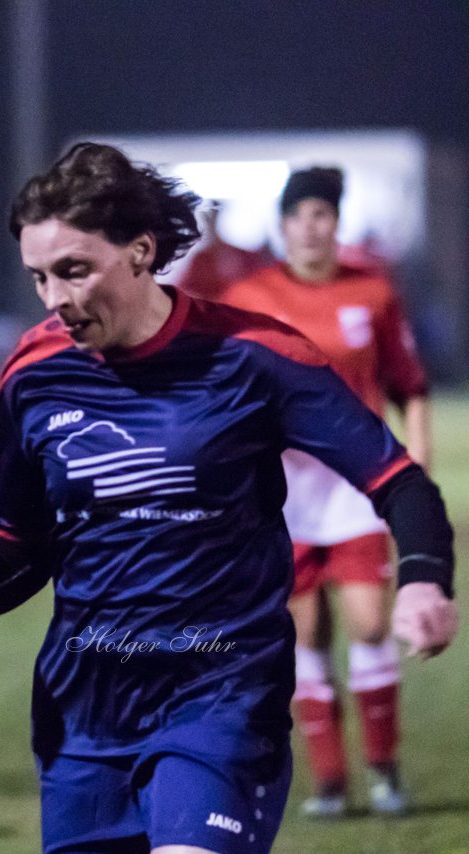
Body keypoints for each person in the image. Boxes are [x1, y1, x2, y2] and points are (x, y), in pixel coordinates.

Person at [0, 143, 457, 854]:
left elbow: (398, 480)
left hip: (222, 694)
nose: (57, 299)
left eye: (75, 270)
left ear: (142, 251)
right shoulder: (35, 374)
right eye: (40, 277)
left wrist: (424, 580)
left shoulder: (255, 354)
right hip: (84, 707)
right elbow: (13, 535)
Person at [220, 167, 431, 817]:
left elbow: (409, 383)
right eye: (299, 216)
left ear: (337, 224)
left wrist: (414, 467)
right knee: (304, 634)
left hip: (356, 486)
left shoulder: (372, 292)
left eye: (322, 215)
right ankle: (332, 782)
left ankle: (386, 769)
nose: (311, 228)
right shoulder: (250, 295)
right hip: (282, 492)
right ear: (281, 226)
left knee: (370, 620)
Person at [174, 201, 272, 302]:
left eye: (214, 217)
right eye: (207, 219)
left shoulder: (245, 256)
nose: (211, 222)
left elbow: (263, 283)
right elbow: (185, 288)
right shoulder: (201, 259)